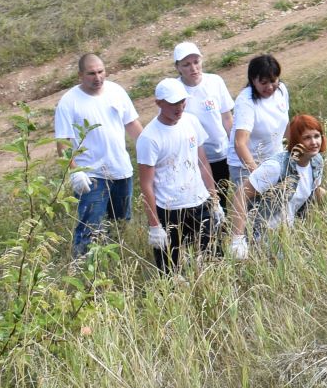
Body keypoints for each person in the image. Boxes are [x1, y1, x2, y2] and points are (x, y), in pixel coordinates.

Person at [54, 53, 142, 258]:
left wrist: (151, 151)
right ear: (80, 75)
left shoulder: (117, 91)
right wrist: (75, 172)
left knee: (120, 224)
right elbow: (63, 142)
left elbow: (132, 125)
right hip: (91, 176)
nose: (97, 77)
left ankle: (117, 266)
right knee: (89, 228)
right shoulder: (69, 102)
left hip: (121, 171)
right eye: (91, 73)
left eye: (101, 71)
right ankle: (83, 269)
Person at [134, 78, 220, 273]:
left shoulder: (191, 122)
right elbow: (146, 184)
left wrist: (214, 199)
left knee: (212, 260)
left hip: (200, 202)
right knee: (171, 270)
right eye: (173, 103)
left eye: (182, 101)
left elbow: (202, 162)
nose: (179, 107)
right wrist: (155, 225)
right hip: (170, 208)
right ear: (159, 103)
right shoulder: (149, 138)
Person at [226, 53, 290, 258]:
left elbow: (285, 126)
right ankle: (241, 247)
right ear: (253, 80)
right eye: (263, 83)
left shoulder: (281, 91)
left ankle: (276, 252)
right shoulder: (245, 101)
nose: (270, 87)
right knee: (253, 213)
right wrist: (257, 173)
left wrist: (296, 152)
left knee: (275, 211)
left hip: (275, 159)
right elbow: (240, 143)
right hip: (247, 164)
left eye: (273, 81)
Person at [172, 41, 233, 248]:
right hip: (195, 161)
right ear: (178, 67)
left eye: (196, 62)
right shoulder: (175, 90)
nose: (193, 68)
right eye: (187, 64)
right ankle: (207, 245)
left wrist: (235, 145)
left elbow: (226, 118)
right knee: (204, 205)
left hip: (222, 153)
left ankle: (226, 238)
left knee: (224, 199)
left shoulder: (215, 82)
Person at [240, 114, 327, 239]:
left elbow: (314, 190)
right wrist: (237, 238)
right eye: (307, 138)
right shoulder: (276, 166)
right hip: (261, 234)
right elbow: (240, 195)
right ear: (296, 140)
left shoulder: (316, 161)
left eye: (316, 136)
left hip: (286, 234)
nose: (314, 142)